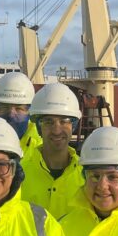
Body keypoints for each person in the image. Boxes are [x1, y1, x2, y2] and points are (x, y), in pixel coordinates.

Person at [20, 83, 84, 219]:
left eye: (64, 121)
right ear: (38, 127)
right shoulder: (19, 175)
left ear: (73, 125)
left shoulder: (86, 176)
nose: (56, 130)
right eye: (48, 122)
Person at [0, 71, 42, 153]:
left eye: (19, 109)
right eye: (4, 107)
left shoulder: (43, 147)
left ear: (30, 112)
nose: (11, 115)